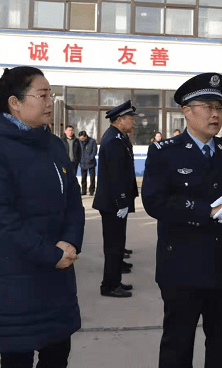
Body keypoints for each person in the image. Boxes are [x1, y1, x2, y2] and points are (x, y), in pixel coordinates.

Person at [142, 72, 222, 368]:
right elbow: (155, 201)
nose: (215, 114)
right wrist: (204, 210)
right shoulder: (164, 153)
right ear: (187, 111)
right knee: (178, 342)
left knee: (220, 340)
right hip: (182, 264)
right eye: (207, 106)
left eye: (219, 107)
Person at [0, 66, 84, 368]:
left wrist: (71, 241)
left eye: (52, 94)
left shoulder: (53, 144)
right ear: (15, 103)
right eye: (43, 95)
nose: (50, 102)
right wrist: (49, 253)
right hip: (16, 284)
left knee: (57, 356)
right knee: (17, 360)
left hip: (57, 280)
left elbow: (73, 201)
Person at [93, 100, 138, 298]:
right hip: (113, 203)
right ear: (120, 120)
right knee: (113, 246)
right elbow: (115, 175)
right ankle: (109, 285)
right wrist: (121, 201)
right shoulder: (113, 140)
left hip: (115, 202)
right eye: (130, 119)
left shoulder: (118, 137)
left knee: (117, 244)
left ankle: (115, 281)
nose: (133, 123)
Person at [78, 131, 97, 196]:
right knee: (83, 178)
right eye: (80, 138)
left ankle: (91, 190)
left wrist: (90, 158)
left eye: (83, 138)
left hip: (91, 163)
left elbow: (94, 151)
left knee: (92, 178)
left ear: (86, 136)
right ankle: (83, 191)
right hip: (82, 163)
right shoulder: (79, 142)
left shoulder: (92, 141)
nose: (82, 140)